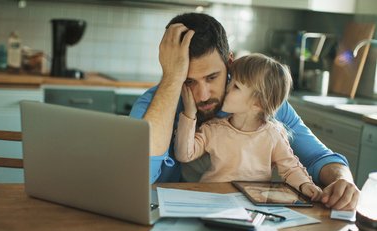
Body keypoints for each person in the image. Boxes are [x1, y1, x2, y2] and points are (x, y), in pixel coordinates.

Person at [129, 12, 359, 211]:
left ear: (230, 63)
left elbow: (319, 157)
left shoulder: (258, 101)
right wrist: (171, 78)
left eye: (212, 77)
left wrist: (342, 181)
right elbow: (136, 178)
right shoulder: (152, 104)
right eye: (188, 81)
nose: (203, 95)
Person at [174, 53, 322, 199]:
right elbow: (184, 155)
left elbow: (291, 169)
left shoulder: (273, 135)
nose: (226, 88)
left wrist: (305, 185)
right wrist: (189, 113)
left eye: (235, 86)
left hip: (252, 205)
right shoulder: (213, 129)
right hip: (212, 199)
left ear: (258, 104)